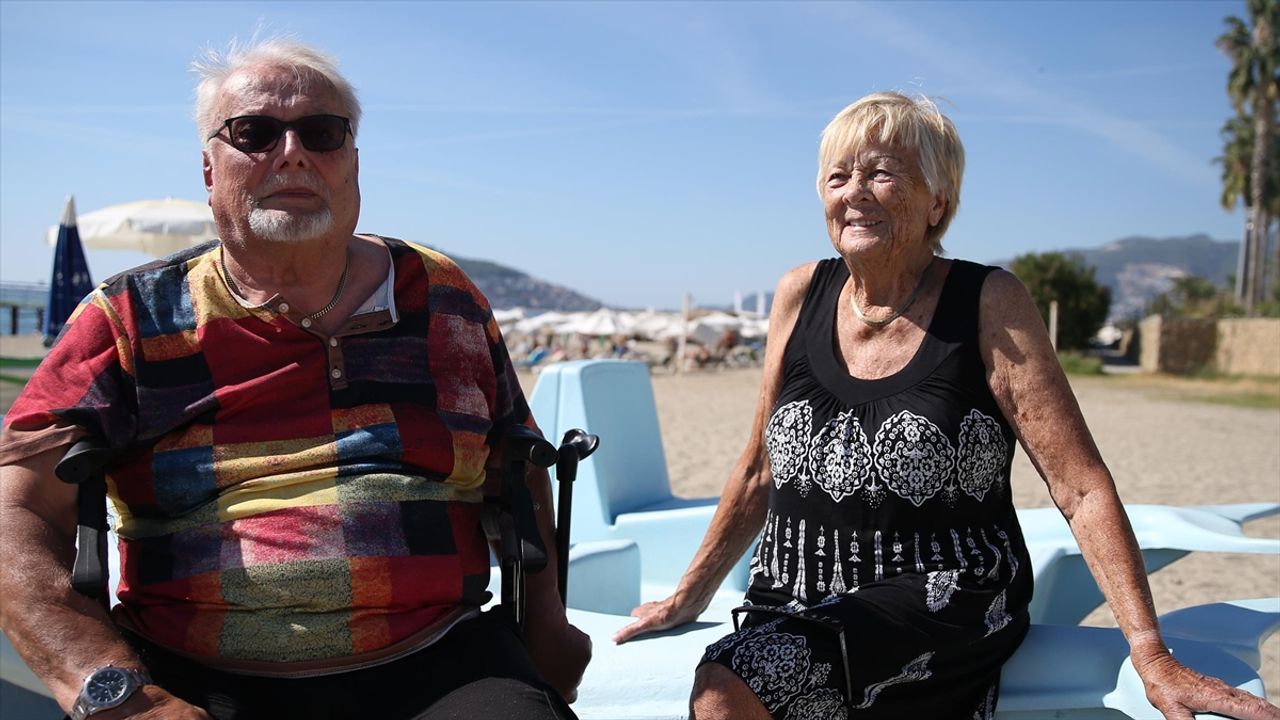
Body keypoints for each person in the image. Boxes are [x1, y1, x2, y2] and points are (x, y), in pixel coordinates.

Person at [614, 92, 1279, 720]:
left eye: (880, 174)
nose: (854, 192)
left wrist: (1151, 652)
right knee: (755, 662)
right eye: (838, 176)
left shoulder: (987, 302)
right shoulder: (799, 293)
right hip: (793, 594)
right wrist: (689, 593)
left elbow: (1079, 486)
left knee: (727, 681)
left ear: (938, 201)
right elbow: (759, 467)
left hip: (943, 591)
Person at [0, 37, 589, 720]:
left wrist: (547, 626)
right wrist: (118, 696)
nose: (292, 153)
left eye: (321, 132)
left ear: (353, 162)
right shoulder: (131, 317)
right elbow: (16, 509)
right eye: (253, 133)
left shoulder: (443, 296)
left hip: (439, 655)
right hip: (196, 673)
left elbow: (517, 465)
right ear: (208, 170)